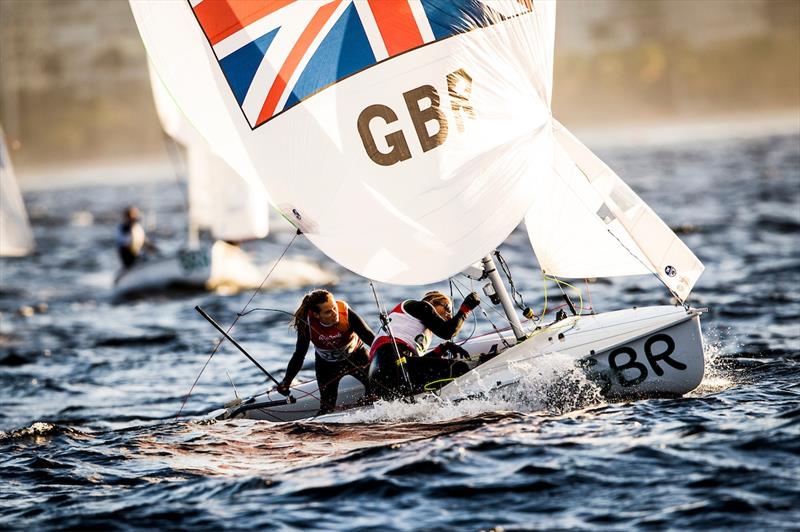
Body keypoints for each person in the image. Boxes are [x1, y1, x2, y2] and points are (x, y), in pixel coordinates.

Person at [276, 289, 375, 415]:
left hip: (357, 358)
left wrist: (390, 355)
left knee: (375, 391)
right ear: (317, 315)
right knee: (326, 408)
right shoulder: (307, 323)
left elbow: (370, 338)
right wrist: (287, 381)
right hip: (327, 366)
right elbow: (299, 355)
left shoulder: (346, 314)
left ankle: (368, 413)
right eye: (328, 312)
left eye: (334, 308)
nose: (335, 314)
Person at [368, 290, 480, 399]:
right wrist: (466, 309)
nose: (449, 316)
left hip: (380, 378)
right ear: (432, 301)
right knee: (458, 368)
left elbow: (415, 365)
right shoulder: (420, 306)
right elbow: (447, 332)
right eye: (447, 308)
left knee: (445, 373)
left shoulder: (413, 326)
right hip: (391, 365)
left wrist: (441, 349)